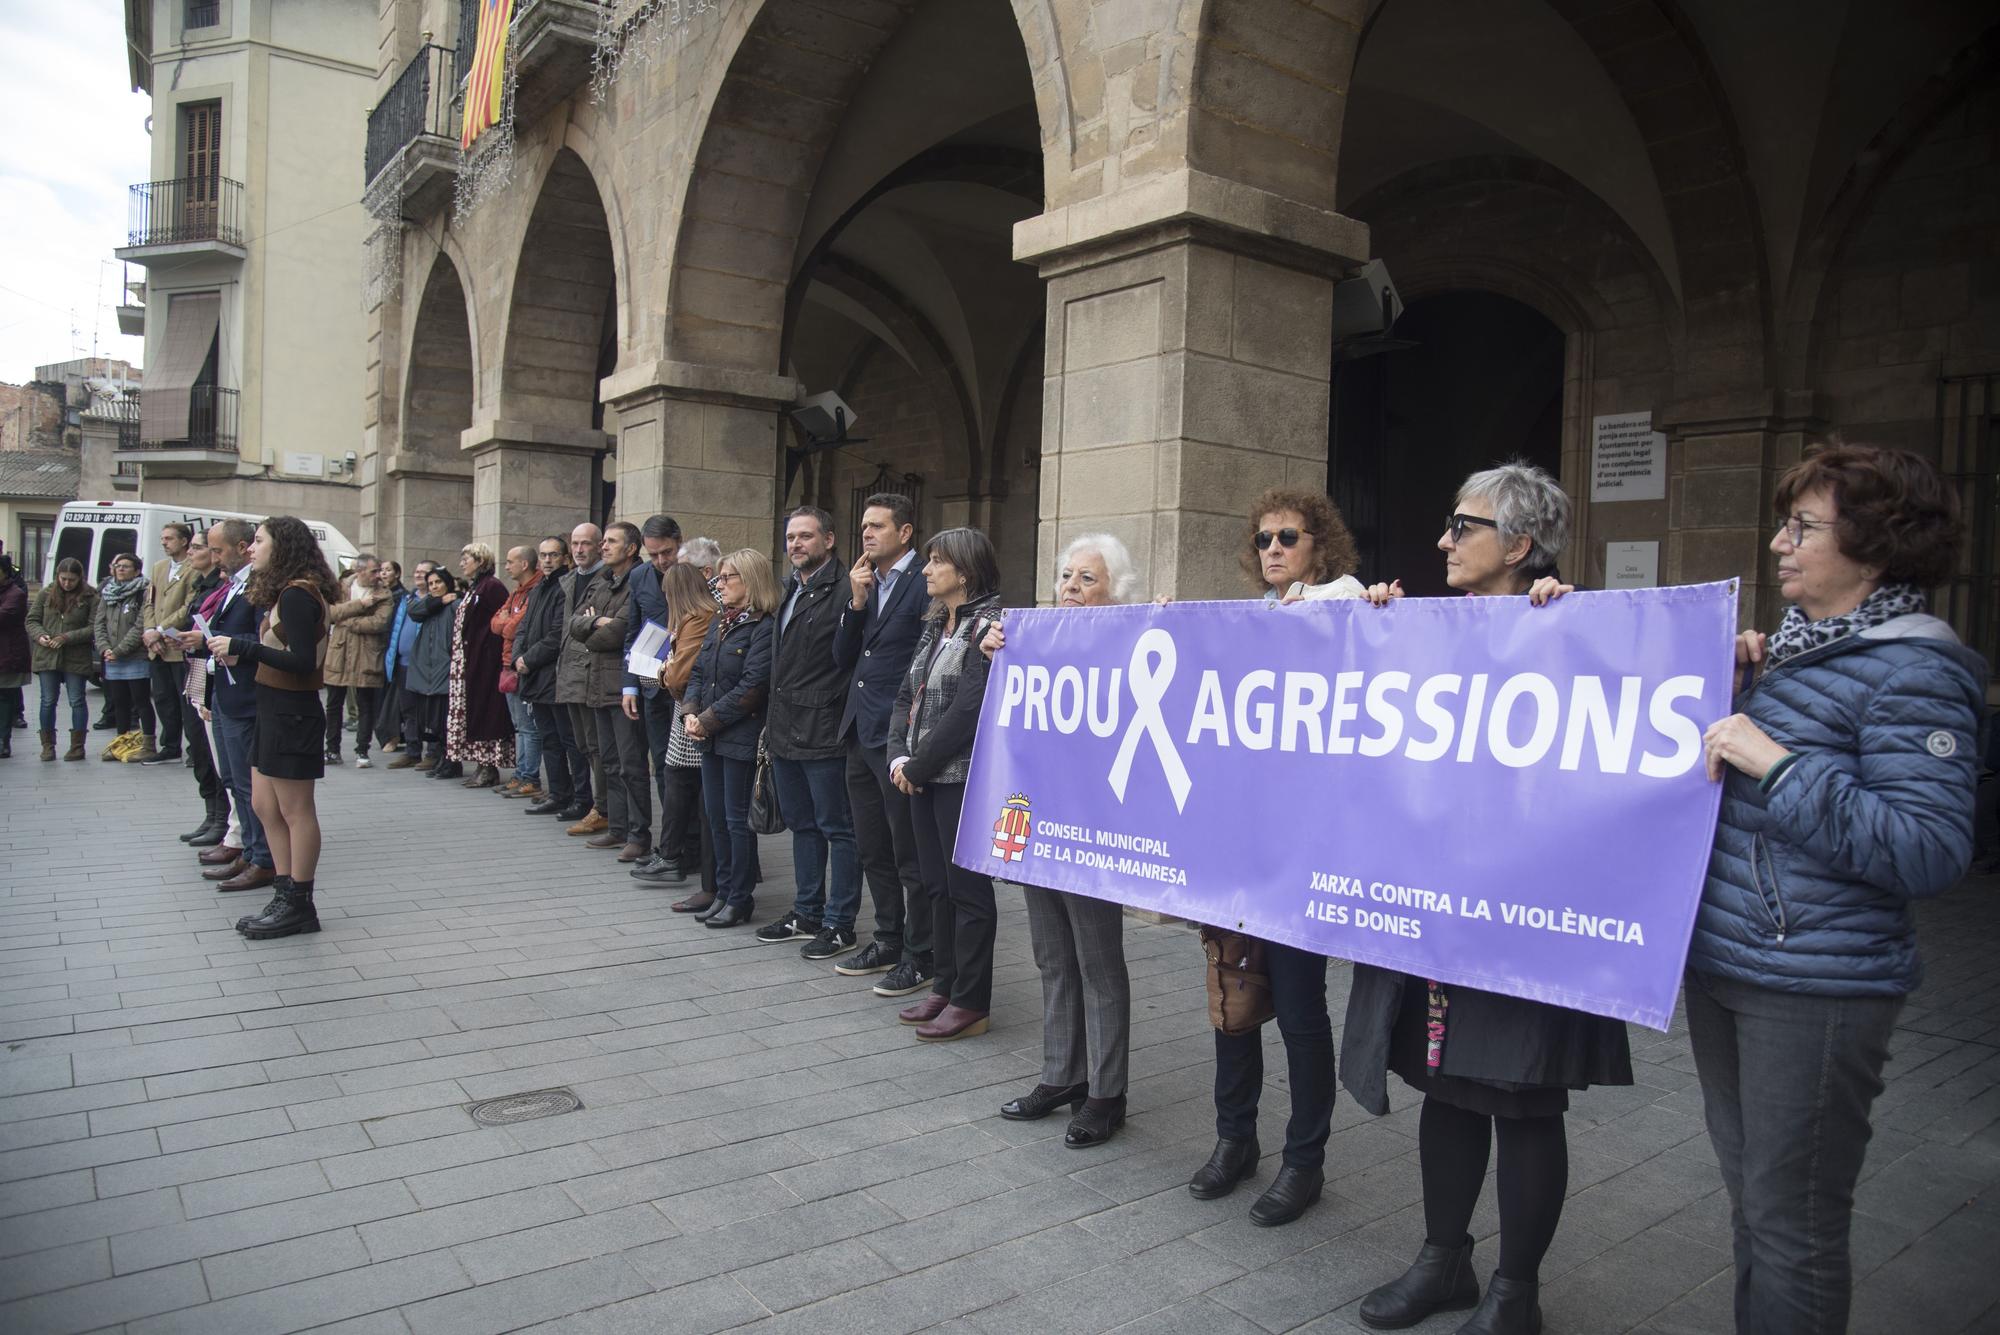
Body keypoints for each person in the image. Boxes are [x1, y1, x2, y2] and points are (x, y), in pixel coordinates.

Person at [1688, 445, 1984, 1335]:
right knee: (1756, 1208)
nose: (1779, 542)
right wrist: (1744, 684)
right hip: (1731, 965)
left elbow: (1930, 849)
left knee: (1794, 1230)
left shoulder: (1916, 670)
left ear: (1876, 544)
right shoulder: (1794, 654)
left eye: (1803, 527)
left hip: (1815, 990)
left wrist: (1776, 762)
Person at [1345, 463, 1632, 1335]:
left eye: (1460, 526)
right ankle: (1444, 1261)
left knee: (1522, 1094)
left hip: (1525, 915)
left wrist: (1576, 631)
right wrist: (1374, 635)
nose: (1442, 542)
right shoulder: (1427, 631)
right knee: (1449, 1084)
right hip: (1439, 910)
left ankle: (1517, 1293)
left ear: (1519, 545)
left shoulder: (1573, 629)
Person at [1184, 487, 1347, 1228]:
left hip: (1305, 849)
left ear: (1320, 544)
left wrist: (1373, 603)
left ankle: (1304, 1160)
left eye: (1289, 536)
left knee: (1302, 1008)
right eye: (1262, 540)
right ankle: (1234, 1139)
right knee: (1234, 990)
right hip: (1241, 843)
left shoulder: (1346, 605)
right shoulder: (1249, 621)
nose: (1274, 548)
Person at [981, 534, 1138, 1146]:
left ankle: (1106, 1091)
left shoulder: (1127, 642)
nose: (1071, 588)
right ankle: (1060, 1075)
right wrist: (992, 651)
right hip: (1039, 820)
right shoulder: (1036, 639)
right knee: (1051, 955)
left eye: (1087, 580)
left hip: (1095, 830)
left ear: (1114, 594)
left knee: (1098, 961)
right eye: (1067, 577)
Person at [887, 527, 1004, 1043]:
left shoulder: (991, 624)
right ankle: (945, 984)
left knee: (967, 892)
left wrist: (920, 766)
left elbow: (969, 708)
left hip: (958, 778)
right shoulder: (938, 622)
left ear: (965, 570)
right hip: (921, 774)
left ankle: (971, 1001)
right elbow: (904, 696)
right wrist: (899, 756)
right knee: (936, 885)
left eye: (936, 561)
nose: (928, 569)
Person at [206, 516, 341, 939]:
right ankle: (284, 890)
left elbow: (304, 662)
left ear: (281, 546)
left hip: (293, 712)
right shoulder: (286, 591)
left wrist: (242, 647)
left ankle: (300, 901)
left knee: (296, 811)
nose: (252, 548)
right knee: (266, 806)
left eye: (259, 541)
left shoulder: (300, 594)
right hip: (273, 707)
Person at [830, 493, 933, 996]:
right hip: (859, 732)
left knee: (907, 852)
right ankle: (888, 938)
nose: (867, 534)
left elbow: (923, 663)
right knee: (874, 849)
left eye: (877, 526)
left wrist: (909, 741)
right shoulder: (866, 582)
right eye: (864, 526)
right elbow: (842, 656)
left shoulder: (925, 582)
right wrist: (855, 602)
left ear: (905, 532)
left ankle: (921, 952)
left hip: (898, 738)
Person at [758, 506, 863, 960]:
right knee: (802, 825)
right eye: (790, 538)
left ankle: (840, 924)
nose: (795, 544)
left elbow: (848, 659)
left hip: (823, 730)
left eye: (805, 536)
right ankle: (806, 911)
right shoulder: (788, 589)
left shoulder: (847, 589)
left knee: (837, 828)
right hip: (783, 728)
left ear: (829, 539)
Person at [682, 547, 778, 928]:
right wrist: (690, 711)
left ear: (750, 581)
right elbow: (699, 671)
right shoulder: (721, 620)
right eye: (719, 578)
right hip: (709, 734)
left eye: (727, 578)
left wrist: (707, 719)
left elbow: (753, 687)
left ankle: (739, 897)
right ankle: (722, 891)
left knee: (737, 820)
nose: (719, 584)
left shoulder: (764, 626)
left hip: (738, 734)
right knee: (715, 816)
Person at [181, 521, 275, 894]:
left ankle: (262, 857)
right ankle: (248, 850)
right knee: (234, 780)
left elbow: (264, 639)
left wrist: (227, 641)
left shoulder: (259, 585)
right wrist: (201, 640)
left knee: (250, 784)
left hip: (246, 694)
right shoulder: (233, 583)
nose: (213, 557)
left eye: (217, 550)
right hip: (224, 689)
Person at [635, 562, 719, 906]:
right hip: (688, 712)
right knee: (688, 786)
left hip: (693, 713)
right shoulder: (696, 617)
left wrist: (665, 670)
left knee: (687, 785)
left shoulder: (698, 618)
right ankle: (675, 854)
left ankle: (674, 856)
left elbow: (679, 676)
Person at [570, 522, 649, 861]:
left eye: (611, 541)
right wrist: (595, 623)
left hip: (624, 687)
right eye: (603, 541)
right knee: (610, 762)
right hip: (599, 684)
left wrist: (595, 625)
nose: (603, 546)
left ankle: (639, 834)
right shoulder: (602, 581)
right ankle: (617, 828)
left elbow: (622, 632)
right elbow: (573, 623)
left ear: (632, 548)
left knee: (632, 764)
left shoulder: (640, 580)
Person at [169, 532, 227, 839]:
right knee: (196, 741)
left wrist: (201, 638)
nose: (190, 552)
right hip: (194, 667)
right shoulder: (199, 585)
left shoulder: (222, 586)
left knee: (210, 744)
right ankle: (211, 812)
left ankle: (222, 818)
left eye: (198, 547)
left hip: (211, 668)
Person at [516, 537, 579, 817]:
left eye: (553, 555)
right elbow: (523, 628)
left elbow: (558, 635)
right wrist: (518, 655)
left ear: (565, 558)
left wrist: (527, 659)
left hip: (555, 677)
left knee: (569, 742)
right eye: (543, 555)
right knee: (549, 740)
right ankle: (557, 794)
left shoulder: (566, 587)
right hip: (534, 678)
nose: (548, 560)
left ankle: (579, 797)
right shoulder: (538, 587)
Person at [446, 542, 515, 789]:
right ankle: (480, 765)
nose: (463, 562)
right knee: (473, 712)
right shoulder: (476, 586)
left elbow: (500, 622)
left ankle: (489, 766)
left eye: (468, 558)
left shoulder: (492, 587)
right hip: (468, 660)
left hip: (485, 662)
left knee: (485, 712)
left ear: (481, 560)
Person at [626, 515, 680, 822]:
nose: (661, 560)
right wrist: (629, 685)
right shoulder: (639, 577)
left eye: (667, 552)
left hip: (687, 686)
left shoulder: (697, 574)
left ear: (679, 542)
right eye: (654, 554)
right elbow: (633, 633)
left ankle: (691, 842)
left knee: (684, 769)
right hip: (651, 685)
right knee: (661, 764)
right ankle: (672, 840)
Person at [555, 523, 605, 832]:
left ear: (599, 546)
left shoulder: (604, 579)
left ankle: (603, 807)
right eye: (574, 543)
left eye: (586, 543)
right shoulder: (570, 579)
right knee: (583, 744)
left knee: (597, 746)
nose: (579, 549)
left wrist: (589, 625)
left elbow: (596, 627)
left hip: (592, 671)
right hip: (568, 671)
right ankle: (593, 803)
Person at [322, 553, 393, 768]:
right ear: (360, 571)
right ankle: (332, 750)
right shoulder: (340, 588)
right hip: (340, 652)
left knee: (366, 704)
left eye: (380, 570)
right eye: (374, 571)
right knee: (334, 704)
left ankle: (363, 750)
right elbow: (330, 613)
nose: (378, 575)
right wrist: (360, 604)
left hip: (367, 654)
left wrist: (348, 621)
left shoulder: (384, 594)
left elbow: (379, 623)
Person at [28, 557, 97, 761]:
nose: (67, 583)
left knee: (77, 699)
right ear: (57, 576)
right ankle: (47, 745)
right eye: (63, 578)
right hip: (47, 655)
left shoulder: (90, 596)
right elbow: (31, 620)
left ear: (80, 578)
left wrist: (67, 637)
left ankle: (77, 746)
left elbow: (93, 627)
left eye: (72, 580)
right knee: (48, 701)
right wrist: (40, 635)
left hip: (75, 657)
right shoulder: (46, 593)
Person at [140, 522, 197, 765]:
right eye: (162, 538)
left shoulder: (193, 569)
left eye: (169, 538)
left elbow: (189, 607)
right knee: (163, 699)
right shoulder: (158, 567)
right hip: (157, 647)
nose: (164, 542)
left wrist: (162, 630)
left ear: (184, 541)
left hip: (177, 644)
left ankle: (195, 748)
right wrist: (150, 630)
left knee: (185, 701)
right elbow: (149, 602)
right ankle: (170, 745)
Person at [491, 545, 544, 798]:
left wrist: (505, 621)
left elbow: (513, 628)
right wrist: (504, 621)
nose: (506, 566)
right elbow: (496, 624)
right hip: (507, 664)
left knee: (527, 726)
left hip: (522, 665)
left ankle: (530, 777)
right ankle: (521, 774)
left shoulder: (534, 590)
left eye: (510, 561)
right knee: (518, 724)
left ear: (524, 564)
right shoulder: (515, 593)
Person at [93, 552, 157, 761]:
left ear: (137, 570)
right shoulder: (107, 592)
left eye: (126, 566)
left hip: (134, 656)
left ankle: (147, 744)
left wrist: (119, 650)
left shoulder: (143, 592)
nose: (120, 569)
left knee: (140, 701)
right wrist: (104, 649)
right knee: (118, 701)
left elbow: (141, 625)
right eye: (118, 565)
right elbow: (99, 622)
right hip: (111, 657)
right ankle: (122, 742)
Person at [405, 569, 459, 777]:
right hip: (426, 674)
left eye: (438, 582)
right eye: (431, 583)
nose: (435, 586)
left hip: (444, 671)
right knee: (432, 722)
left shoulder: (454, 605)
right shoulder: (429, 605)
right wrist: (438, 601)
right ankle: (440, 759)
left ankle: (451, 761)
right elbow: (414, 611)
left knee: (445, 721)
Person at [385, 560, 437, 768]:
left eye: (423, 572)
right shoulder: (408, 598)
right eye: (416, 571)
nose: (418, 575)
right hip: (403, 663)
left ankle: (432, 753)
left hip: (425, 665)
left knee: (428, 711)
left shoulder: (436, 601)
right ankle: (412, 750)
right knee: (408, 710)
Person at [372, 561, 410, 754]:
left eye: (388, 570)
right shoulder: (378, 593)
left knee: (392, 695)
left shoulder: (402, 597)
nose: (384, 573)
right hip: (382, 649)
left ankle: (392, 735)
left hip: (393, 650)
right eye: (381, 570)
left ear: (397, 573)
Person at [0, 553, 26, 757]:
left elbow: (4, 617)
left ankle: (3, 741)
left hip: (7, 655)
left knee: (5, 699)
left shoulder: (15, 593)